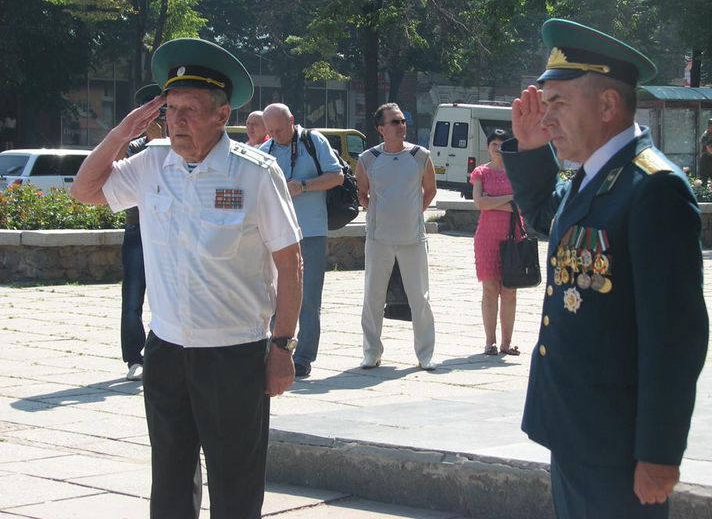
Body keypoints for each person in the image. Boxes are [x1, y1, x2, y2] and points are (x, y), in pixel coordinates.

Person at [71, 37, 303, 519]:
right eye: (171, 110)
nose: (177, 121)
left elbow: (290, 262)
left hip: (234, 352)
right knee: (170, 483)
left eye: (190, 110)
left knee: (235, 485)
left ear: (223, 116)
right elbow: (84, 189)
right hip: (167, 350)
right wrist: (120, 133)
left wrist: (281, 347)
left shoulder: (254, 173)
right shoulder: (152, 162)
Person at [501, 19, 709, 518]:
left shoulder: (654, 188)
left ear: (608, 105)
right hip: (576, 427)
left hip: (617, 441)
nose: (547, 119)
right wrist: (531, 151)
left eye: (558, 104)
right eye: (544, 105)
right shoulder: (593, 176)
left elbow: (675, 337)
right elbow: (548, 219)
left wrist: (658, 452)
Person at [261, 103, 343, 378]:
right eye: (270, 130)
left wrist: (304, 185)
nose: (275, 135)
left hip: (311, 230)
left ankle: (305, 356)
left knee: (308, 297)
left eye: (280, 129)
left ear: (292, 121)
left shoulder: (313, 141)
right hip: (276, 234)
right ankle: (274, 349)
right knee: (273, 295)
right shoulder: (265, 151)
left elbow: (337, 176)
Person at [356, 102, 437, 370]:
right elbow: (363, 193)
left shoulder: (419, 155)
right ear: (381, 129)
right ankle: (371, 351)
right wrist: (379, 215)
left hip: (413, 238)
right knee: (373, 296)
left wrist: (414, 213)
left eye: (402, 121)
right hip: (379, 239)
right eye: (394, 122)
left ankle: (425, 354)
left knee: (419, 298)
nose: (400, 126)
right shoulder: (368, 159)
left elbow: (430, 190)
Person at [117, 83, 166, 381]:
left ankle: (162, 352)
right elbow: (115, 165)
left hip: (170, 229)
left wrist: (163, 143)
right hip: (138, 229)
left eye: (162, 111)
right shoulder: (135, 145)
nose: (159, 119)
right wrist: (144, 139)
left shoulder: (182, 143)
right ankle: (134, 357)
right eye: (152, 113)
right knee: (133, 296)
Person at [470, 128, 521, 356]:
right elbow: (479, 202)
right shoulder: (481, 172)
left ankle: (506, 343)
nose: (498, 148)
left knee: (510, 290)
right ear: (488, 147)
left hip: (513, 234)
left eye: (502, 144)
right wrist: (509, 200)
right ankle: (489, 341)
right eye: (494, 144)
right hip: (487, 236)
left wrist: (495, 202)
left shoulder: (517, 173)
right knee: (490, 289)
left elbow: (521, 204)